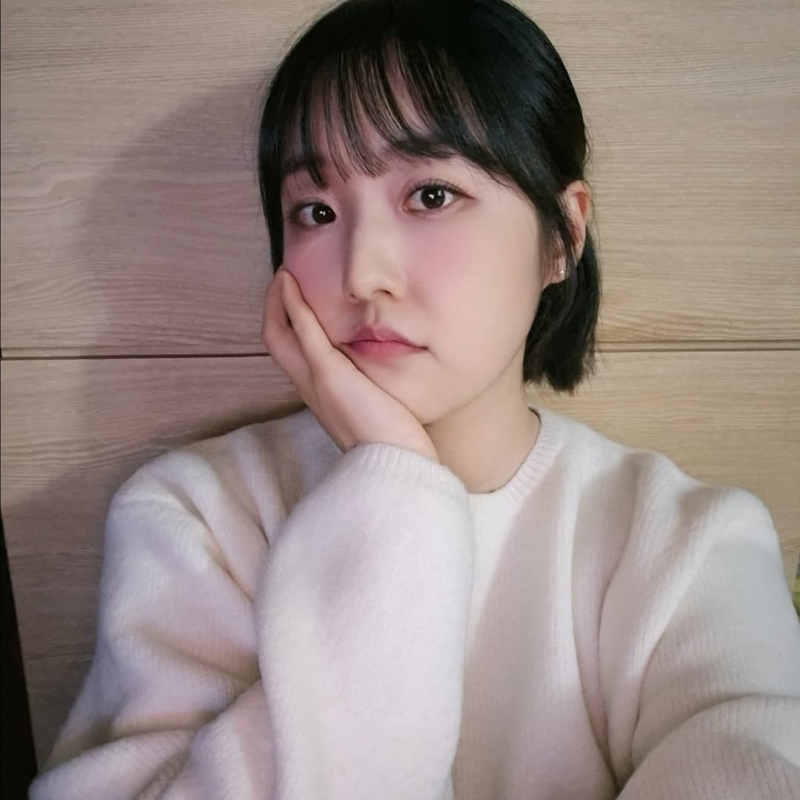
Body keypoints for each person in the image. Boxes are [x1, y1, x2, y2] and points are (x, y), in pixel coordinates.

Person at [29, 0, 800, 798]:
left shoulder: (688, 547)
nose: (363, 274)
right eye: (316, 211)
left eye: (432, 196)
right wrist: (395, 491)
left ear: (562, 236)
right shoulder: (198, 519)